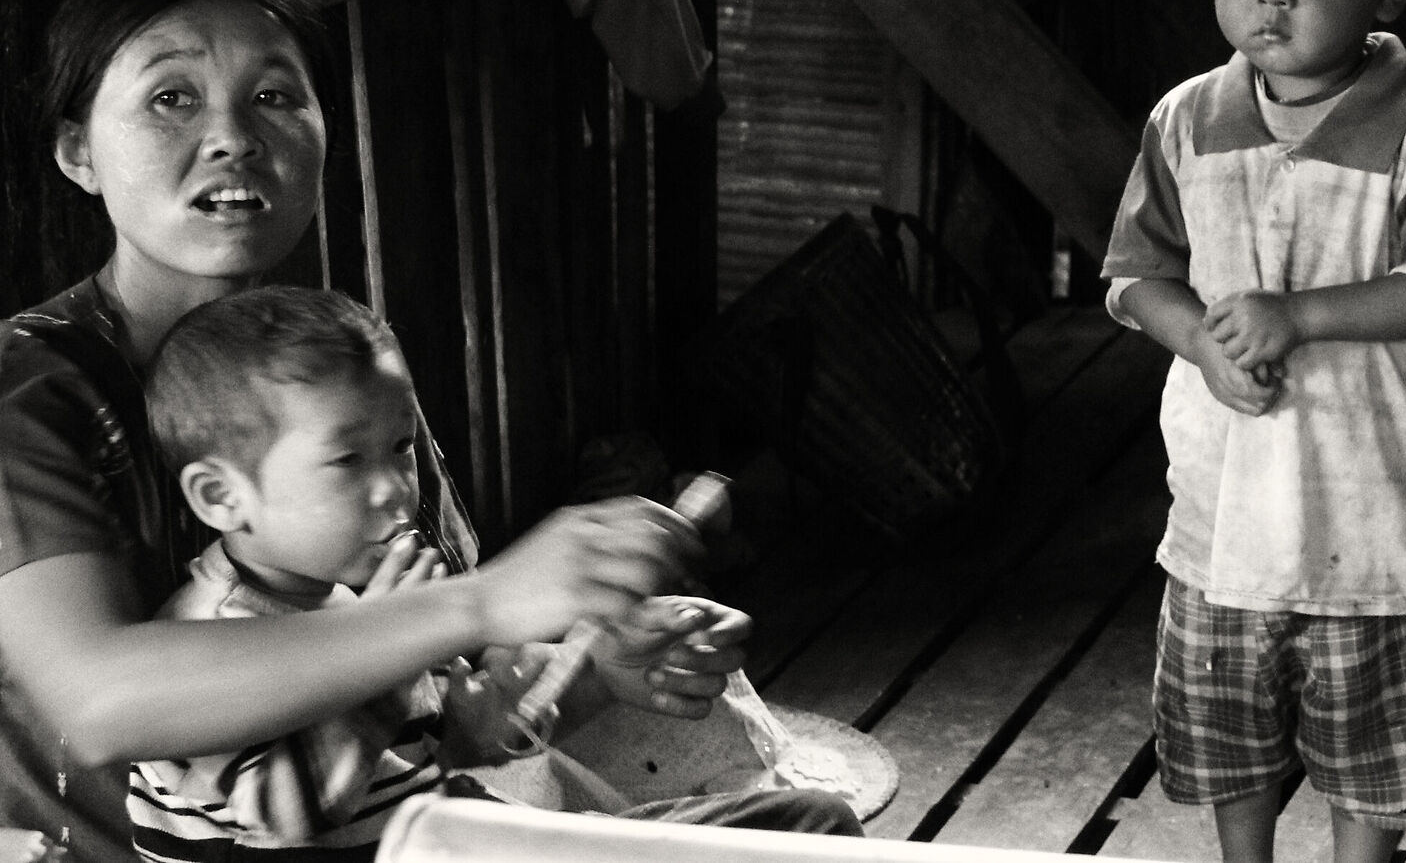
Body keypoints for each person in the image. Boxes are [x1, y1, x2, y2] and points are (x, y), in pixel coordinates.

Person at [0, 0, 759, 863]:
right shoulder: (29, 392)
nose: (234, 136)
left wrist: (592, 667)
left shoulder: (333, 370)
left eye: (276, 96)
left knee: (806, 833)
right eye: (172, 98)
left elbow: (444, 692)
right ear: (79, 151)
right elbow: (97, 702)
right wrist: (482, 604)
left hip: (404, 839)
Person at [126, 286, 858, 859]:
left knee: (807, 824)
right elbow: (285, 813)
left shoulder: (353, 595)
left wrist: (598, 668)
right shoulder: (204, 640)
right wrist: (388, 656)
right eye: (348, 459)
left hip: (453, 841)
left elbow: (450, 739)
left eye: (401, 446)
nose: (395, 487)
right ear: (221, 496)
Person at [1100, 0, 1406, 863]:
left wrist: (1297, 316)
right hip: (1224, 507)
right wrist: (1200, 341)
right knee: (1230, 726)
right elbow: (1133, 274)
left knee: (1371, 733)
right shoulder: (1184, 123)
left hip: (1364, 507)